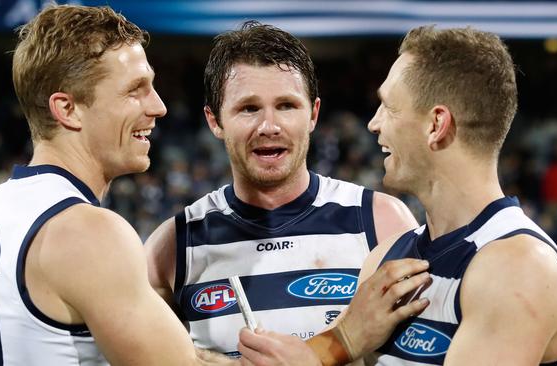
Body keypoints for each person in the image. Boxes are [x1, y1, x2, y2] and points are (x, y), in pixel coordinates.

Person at [0, 6, 431, 366]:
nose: (158, 106)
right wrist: (339, 342)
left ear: (313, 114)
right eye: (135, 89)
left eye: (286, 105)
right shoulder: (106, 236)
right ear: (67, 109)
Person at [239, 25, 557, 365]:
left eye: (389, 107)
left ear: (436, 125)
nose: (374, 123)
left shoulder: (519, 268)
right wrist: (332, 347)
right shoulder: (385, 258)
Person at [144, 20, 427, 359]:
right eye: (249, 108)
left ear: (313, 114)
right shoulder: (172, 248)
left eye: (287, 106)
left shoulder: (382, 222)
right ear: (215, 121)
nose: (269, 126)